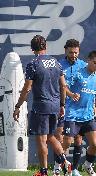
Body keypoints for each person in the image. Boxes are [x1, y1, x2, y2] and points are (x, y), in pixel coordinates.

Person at [13, 35, 72, 176]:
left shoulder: (33, 64)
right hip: (56, 106)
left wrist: (17, 106)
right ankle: (65, 161)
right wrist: (62, 105)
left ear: (32, 49)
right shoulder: (56, 63)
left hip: (41, 106)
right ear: (45, 47)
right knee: (51, 136)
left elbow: (27, 89)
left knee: (41, 139)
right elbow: (63, 86)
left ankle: (43, 172)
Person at [62, 50, 96, 176]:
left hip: (88, 116)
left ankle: (88, 165)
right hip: (73, 114)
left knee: (94, 144)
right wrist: (72, 94)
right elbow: (64, 87)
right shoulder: (78, 74)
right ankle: (59, 167)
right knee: (67, 142)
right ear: (89, 61)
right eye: (95, 63)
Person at [53, 39, 87, 176]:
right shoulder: (59, 65)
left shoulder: (83, 65)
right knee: (61, 139)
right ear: (65, 50)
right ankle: (57, 166)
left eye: (76, 52)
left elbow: (87, 86)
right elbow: (61, 86)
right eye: (71, 52)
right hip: (62, 106)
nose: (73, 55)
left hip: (78, 109)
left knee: (78, 139)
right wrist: (71, 94)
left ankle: (74, 169)